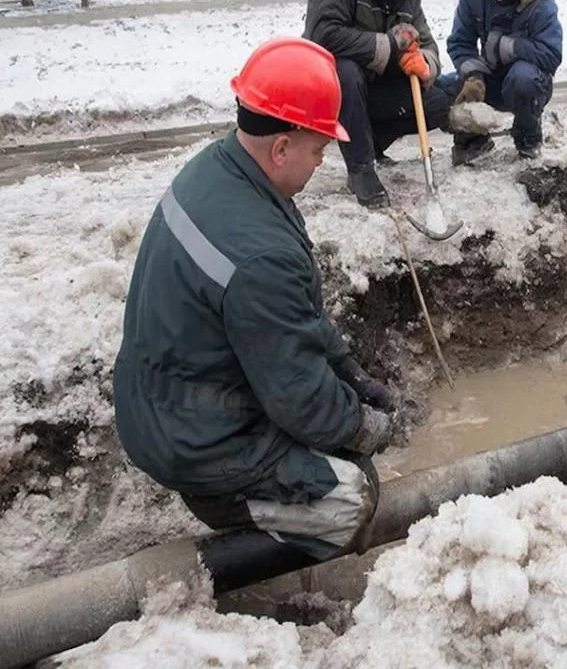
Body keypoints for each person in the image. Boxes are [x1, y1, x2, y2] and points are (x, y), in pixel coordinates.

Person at [113, 37, 398, 560]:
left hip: (164, 396)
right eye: (317, 149)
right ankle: (228, 522)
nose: (319, 164)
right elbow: (301, 399)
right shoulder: (261, 254)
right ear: (282, 148)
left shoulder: (221, 168)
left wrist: (350, 373)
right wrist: (361, 428)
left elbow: (295, 323)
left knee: (335, 449)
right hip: (191, 432)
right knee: (354, 493)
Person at [304, 0, 451, 208]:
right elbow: (322, 35)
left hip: (374, 89)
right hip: (333, 89)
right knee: (346, 69)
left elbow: (425, 40)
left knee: (439, 103)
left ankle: (372, 144)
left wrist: (425, 63)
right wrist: (387, 46)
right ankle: (361, 168)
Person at [438, 0, 563, 163]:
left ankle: (528, 140)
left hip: (527, 84)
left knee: (522, 79)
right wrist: (474, 76)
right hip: (490, 77)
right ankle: (472, 142)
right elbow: (460, 41)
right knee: (446, 88)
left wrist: (510, 47)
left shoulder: (541, 3)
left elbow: (551, 55)